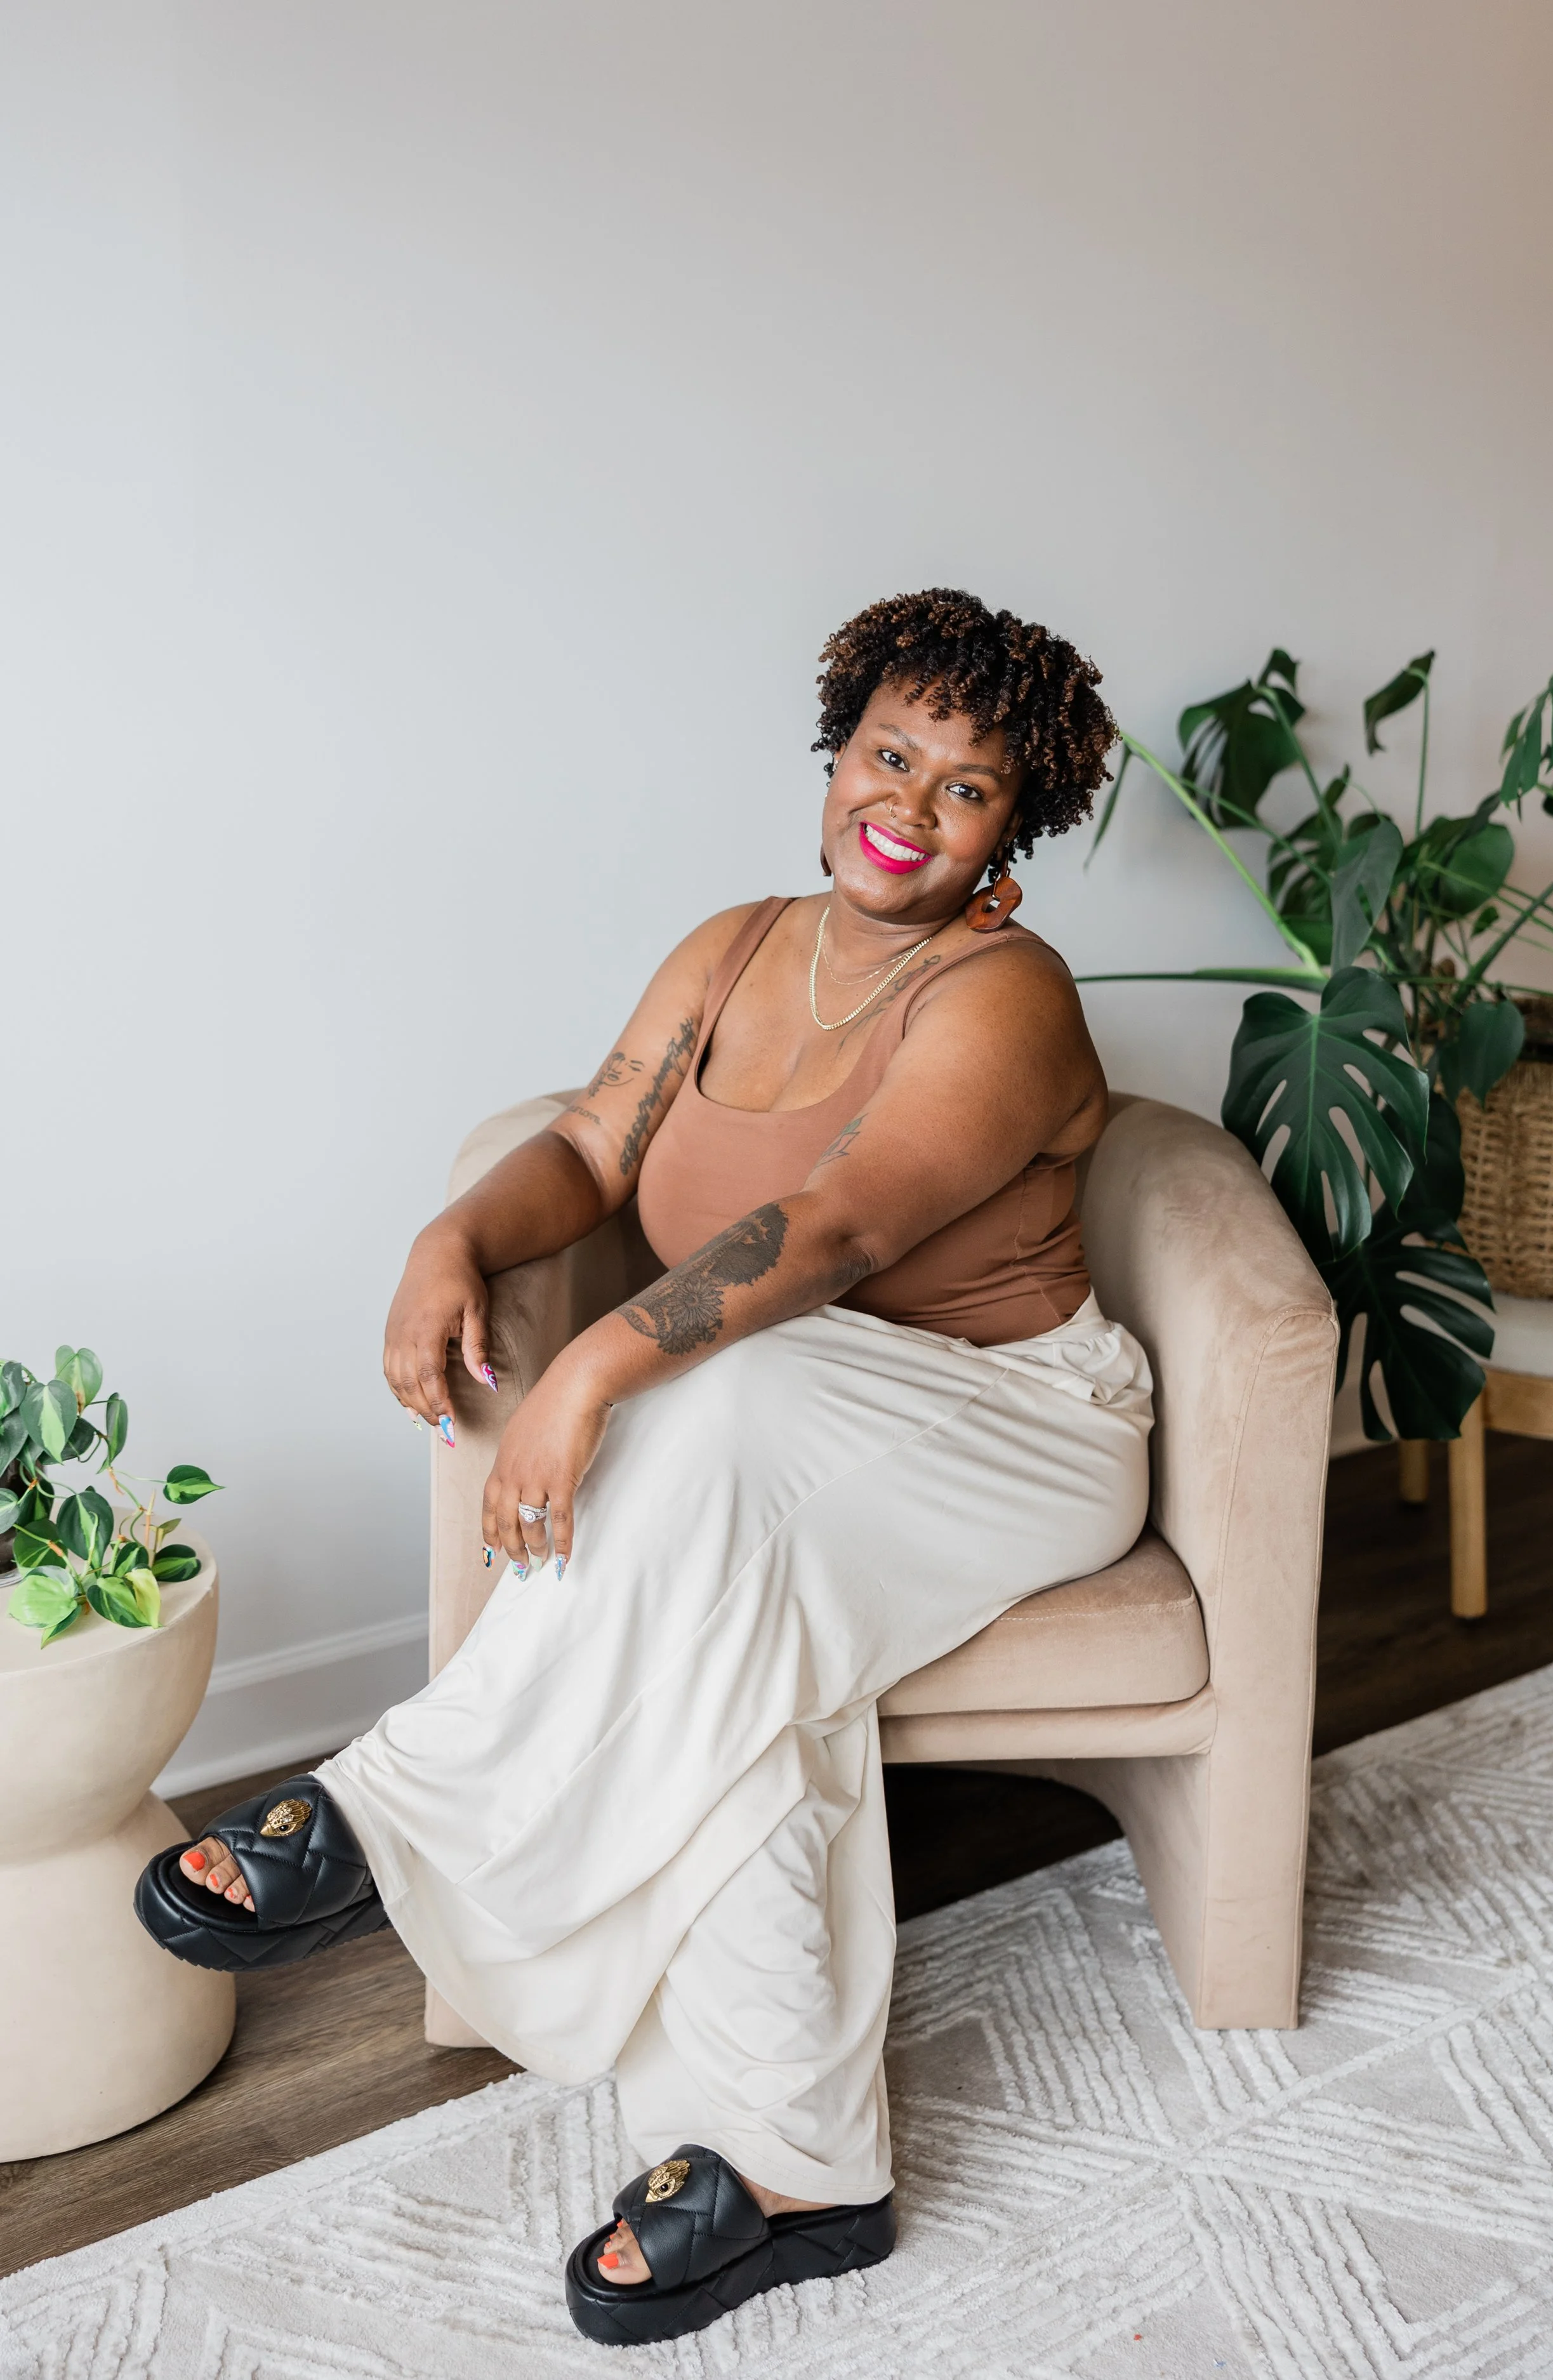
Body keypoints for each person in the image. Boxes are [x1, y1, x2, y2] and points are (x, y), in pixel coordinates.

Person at [136, 588, 1153, 2347]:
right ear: (838, 748)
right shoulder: (733, 946)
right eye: (888, 750)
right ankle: (786, 2169)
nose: (905, 798)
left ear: (1015, 835)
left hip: (1006, 1424)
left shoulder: (1008, 991)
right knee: (749, 1661)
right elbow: (596, 1143)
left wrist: (596, 1363)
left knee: (712, 1424)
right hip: (783, 1428)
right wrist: (448, 1234)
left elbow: (833, 1227)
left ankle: (397, 1815)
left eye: (967, 785)